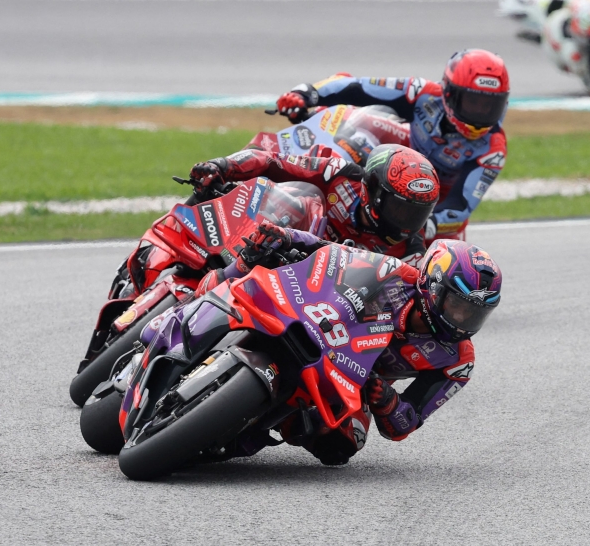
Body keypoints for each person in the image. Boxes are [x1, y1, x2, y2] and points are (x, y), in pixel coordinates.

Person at [196, 222, 503, 467]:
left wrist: (386, 402)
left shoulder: (457, 360)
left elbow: (406, 423)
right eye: (458, 306)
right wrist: (287, 237)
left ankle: (252, 428)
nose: (463, 320)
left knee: (341, 445)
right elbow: (329, 251)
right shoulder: (394, 273)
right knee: (246, 274)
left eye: (475, 314)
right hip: (322, 327)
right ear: (432, 286)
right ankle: (188, 316)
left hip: (356, 382)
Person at [272, 49, 510, 241]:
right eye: (473, 102)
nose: (480, 113)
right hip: (396, 164)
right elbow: (358, 87)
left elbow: (460, 206)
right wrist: (307, 94)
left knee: (436, 273)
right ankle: (286, 170)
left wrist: (426, 224)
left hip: (425, 211)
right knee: (359, 118)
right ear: (448, 92)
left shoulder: (493, 149)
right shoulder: (422, 93)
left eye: (490, 105)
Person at [190, 143, 439, 267]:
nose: (407, 221)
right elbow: (272, 161)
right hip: (272, 242)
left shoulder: (412, 253)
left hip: (313, 293)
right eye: (400, 209)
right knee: (297, 204)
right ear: (372, 191)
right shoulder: (341, 174)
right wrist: (222, 166)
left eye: (418, 213)